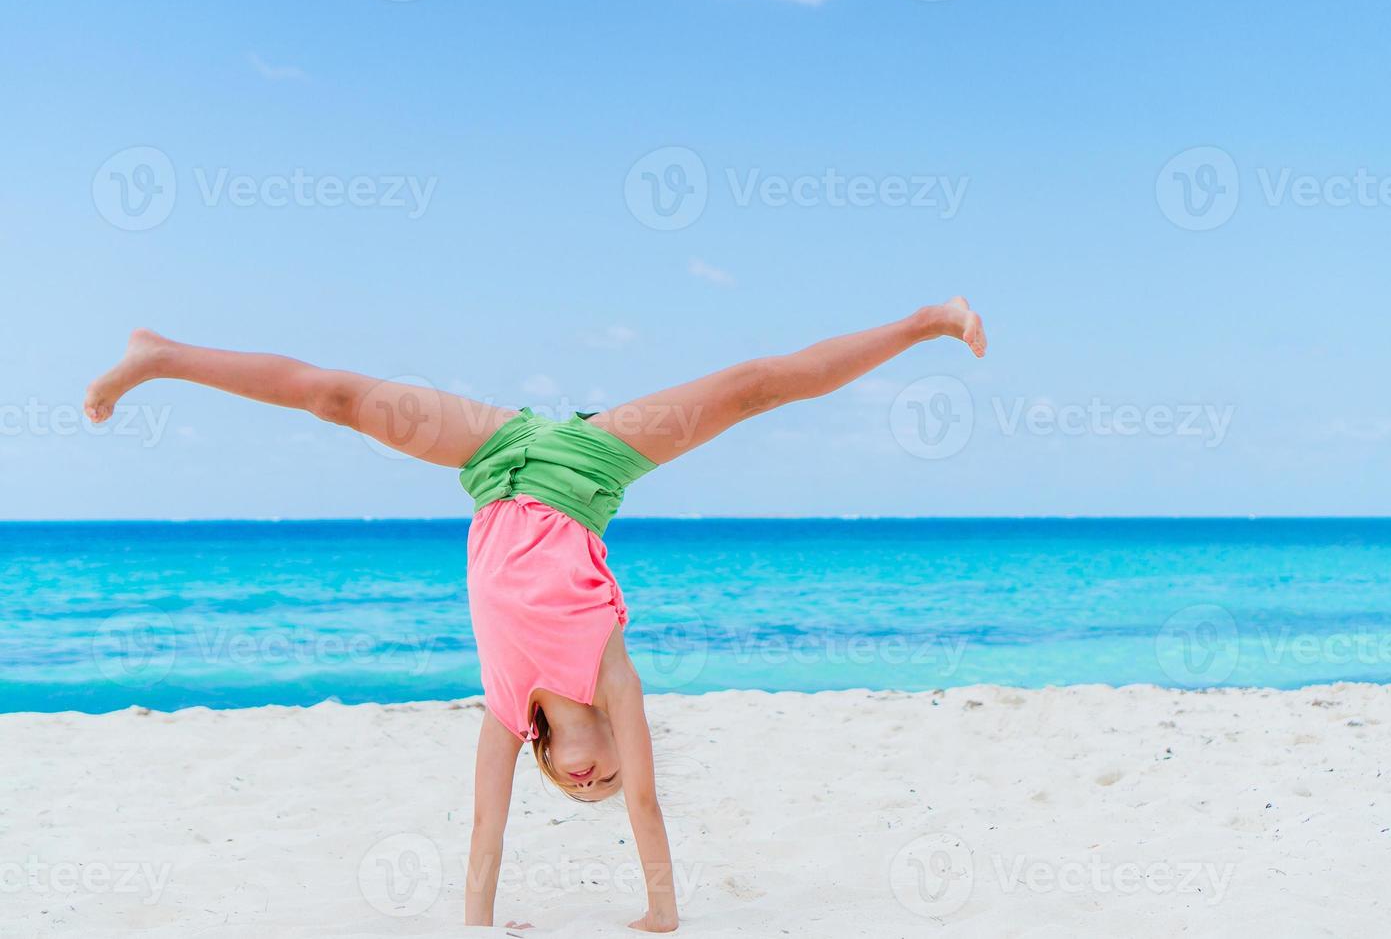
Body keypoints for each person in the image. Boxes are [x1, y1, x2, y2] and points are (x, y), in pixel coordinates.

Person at [83, 297, 987, 931]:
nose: (591, 789)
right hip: (590, 465)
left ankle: (160, 354)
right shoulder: (610, 678)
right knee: (753, 384)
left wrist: (476, 926)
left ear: (551, 758)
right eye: (600, 786)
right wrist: (663, 912)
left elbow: (486, 828)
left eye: (573, 787)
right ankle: (927, 321)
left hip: (496, 458)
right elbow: (645, 795)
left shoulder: (508, 711)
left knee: (341, 401)